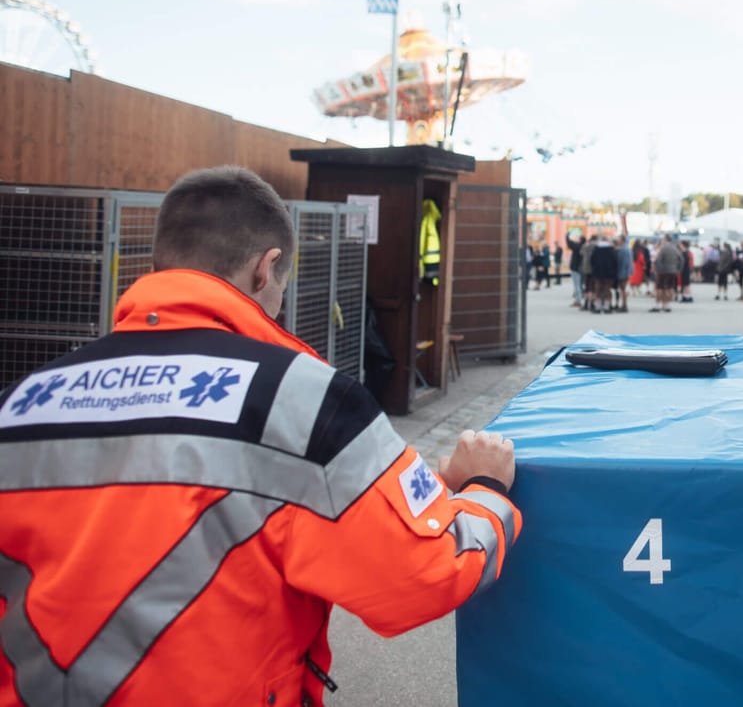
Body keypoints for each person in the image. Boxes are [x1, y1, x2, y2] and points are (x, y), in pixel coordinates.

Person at [0, 166, 521, 705]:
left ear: (160, 261)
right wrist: (484, 489)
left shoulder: (22, 403)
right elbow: (425, 574)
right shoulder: (307, 401)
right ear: (265, 269)